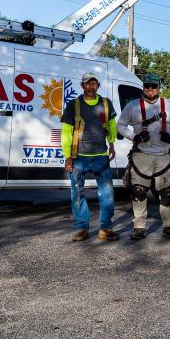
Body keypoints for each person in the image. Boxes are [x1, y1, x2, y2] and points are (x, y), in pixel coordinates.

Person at [117, 74, 170, 241]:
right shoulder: (132, 106)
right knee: (139, 191)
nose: (150, 90)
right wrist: (134, 137)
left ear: (159, 88)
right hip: (142, 154)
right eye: (147, 86)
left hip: (163, 155)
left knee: (167, 192)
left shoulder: (169, 105)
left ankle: (168, 225)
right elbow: (120, 125)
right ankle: (139, 227)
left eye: (154, 86)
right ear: (143, 87)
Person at [62, 72, 118, 242]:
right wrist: (67, 156)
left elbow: (111, 125)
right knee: (77, 193)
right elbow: (66, 131)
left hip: (101, 156)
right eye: (88, 83)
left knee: (107, 193)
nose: (91, 87)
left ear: (98, 86)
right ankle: (82, 229)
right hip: (79, 157)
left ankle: (105, 228)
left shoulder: (106, 104)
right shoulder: (74, 105)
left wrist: (112, 144)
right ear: (82, 86)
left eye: (94, 83)